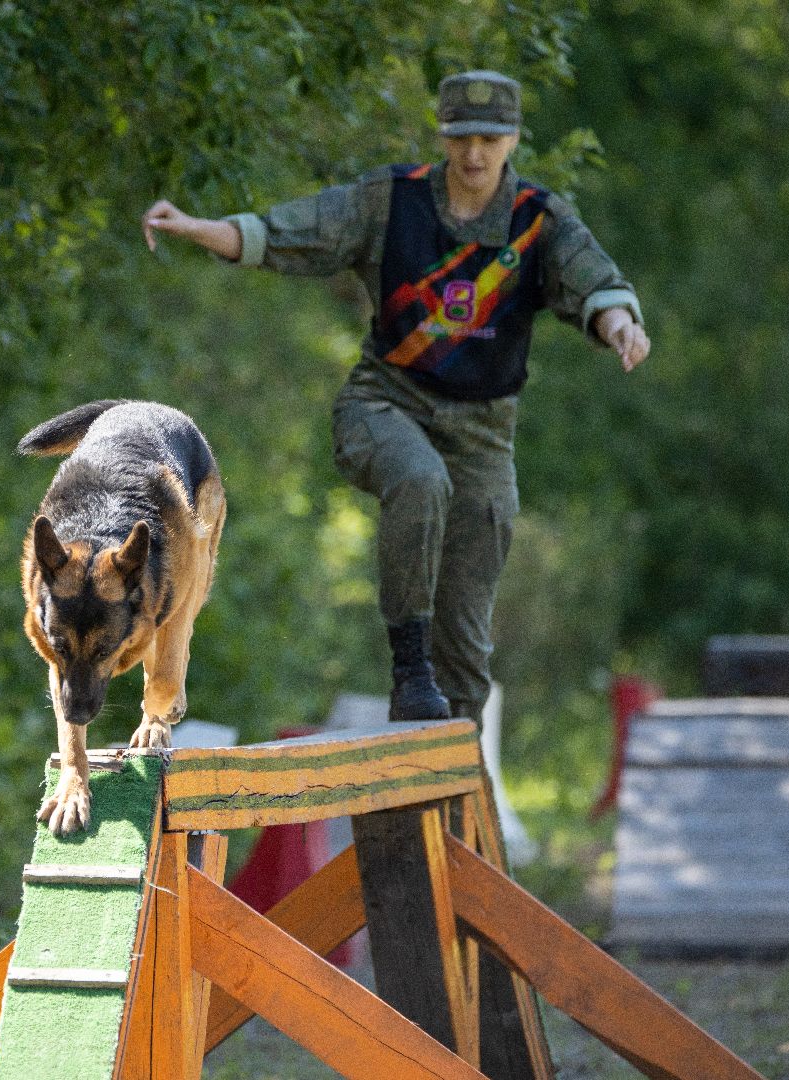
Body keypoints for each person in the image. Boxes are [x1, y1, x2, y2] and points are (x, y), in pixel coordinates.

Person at [142, 70, 650, 728]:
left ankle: (454, 766)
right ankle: (409, 667)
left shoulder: (537, 220)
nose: (474, 154)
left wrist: (620, 325)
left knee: (466, 641)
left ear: (513, 139)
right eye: (461, 138)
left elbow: (594, 280)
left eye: (489, 139)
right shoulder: (392, 200)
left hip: (483, 434)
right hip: (384, 405)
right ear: (443, 136)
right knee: (419, 479)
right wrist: (193, 226)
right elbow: (289, 233)